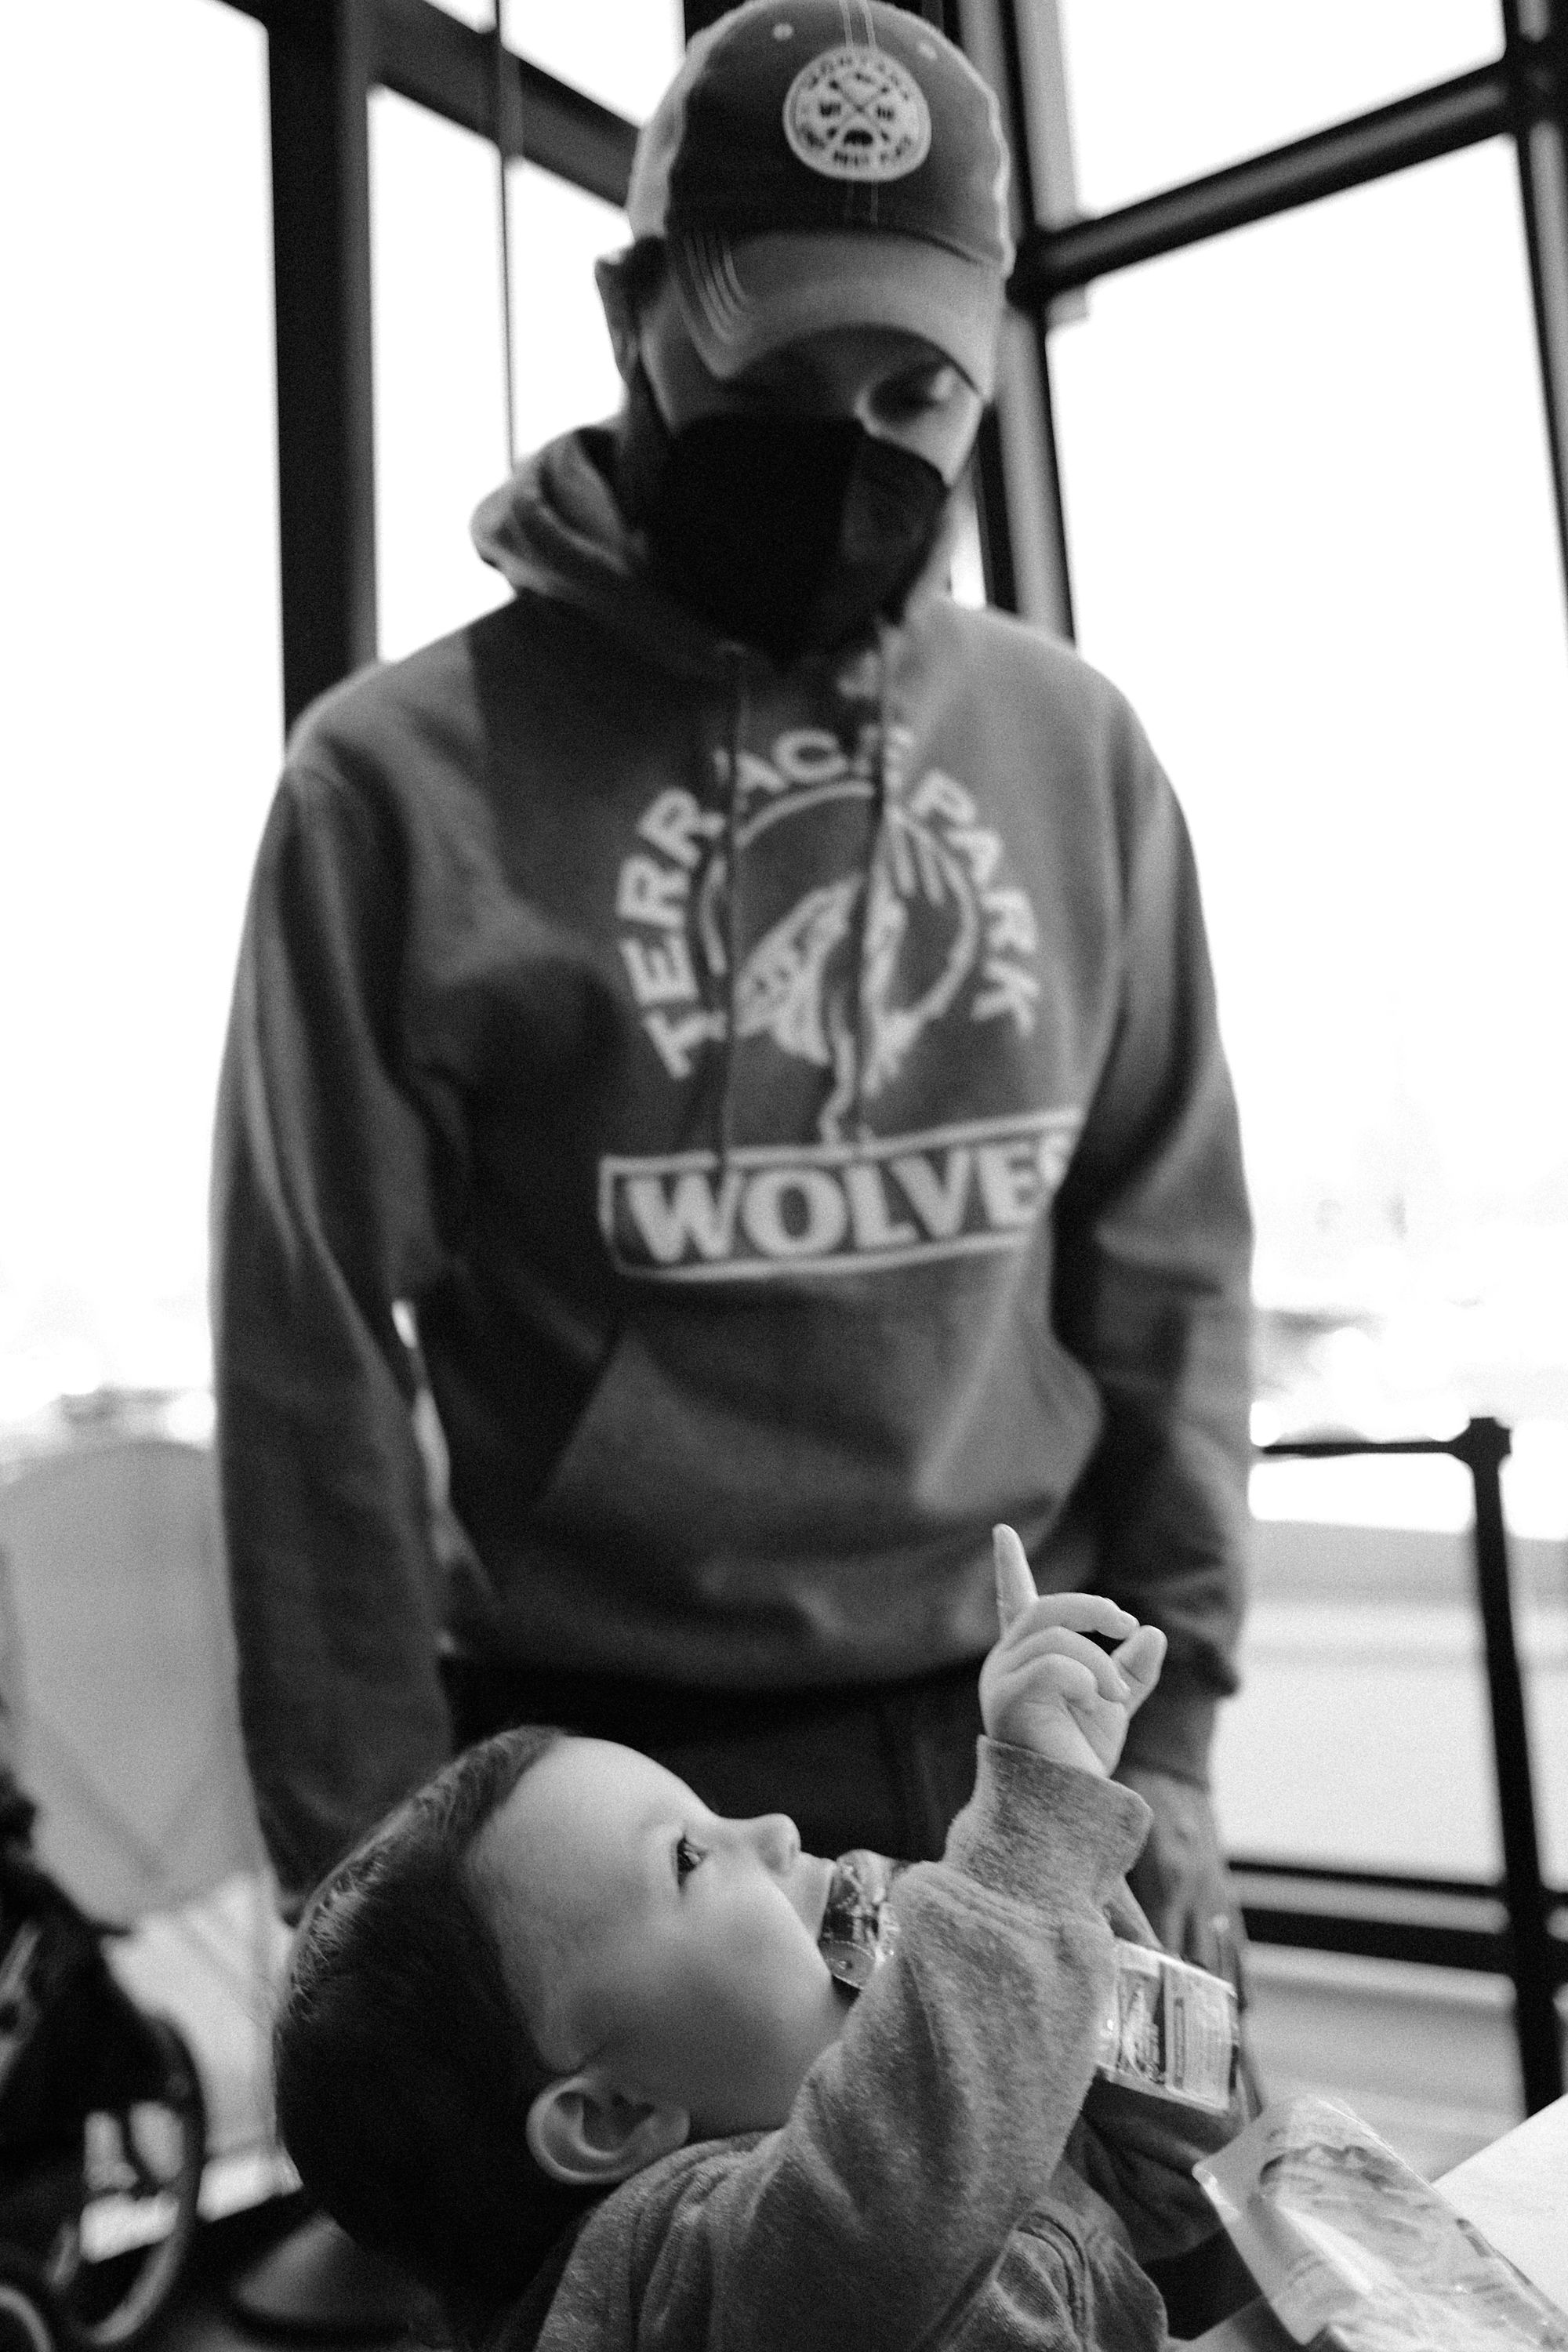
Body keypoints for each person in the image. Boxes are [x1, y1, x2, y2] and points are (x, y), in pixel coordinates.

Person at [211, 0, 1254, 1970]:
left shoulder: (1075, 753)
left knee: (1159, 2189)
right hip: (620, 1793)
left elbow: (1170, 1266)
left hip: (1033, 1715)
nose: (848, 447)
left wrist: (1173, 1731)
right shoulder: (394, 785)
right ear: (635, 319)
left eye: (914, 391)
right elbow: (309, 1363)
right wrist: (359, 1893)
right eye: (781, 372)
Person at [274, 1529, 1246, 2348]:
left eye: (715, 1811)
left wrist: (1068, 1876)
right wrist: (1028, 1839)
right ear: (613, 2116)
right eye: (688, 1857)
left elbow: (1175, 2171)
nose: (775, 1830)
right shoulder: (679, 2266)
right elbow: (891, 2205)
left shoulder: (950, 2131)